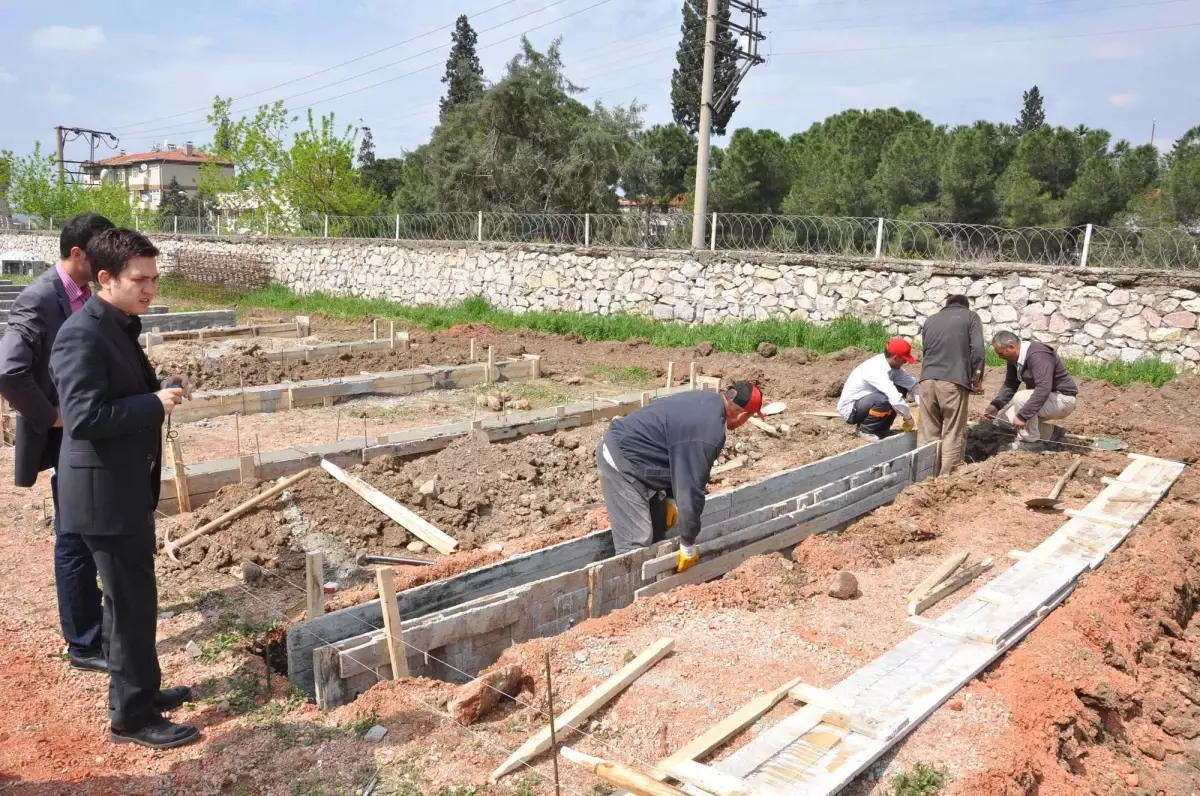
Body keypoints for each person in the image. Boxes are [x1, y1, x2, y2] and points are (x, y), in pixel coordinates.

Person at [50, 227, 198, 749]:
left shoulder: (120, 325)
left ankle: (144, 692)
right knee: (129, 605)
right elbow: (84, 416)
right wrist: (154, 404)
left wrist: (159, 389)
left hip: (124, 489)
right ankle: (132, 718)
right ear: (105, 278)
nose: (150, 289)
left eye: (155, 279)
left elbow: (122, 393)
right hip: (103, 497)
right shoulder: (81, 334)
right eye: (141, 279)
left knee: (134, 602)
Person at [0, 212, 114, 672]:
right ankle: (83, 644)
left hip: (90, 435)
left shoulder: (89, 295)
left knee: (88, 531)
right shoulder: (38, 299)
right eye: (101, 249)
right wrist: (51, 416)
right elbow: (9, 371)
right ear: (78, 253)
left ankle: (94, 624)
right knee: (72, 535)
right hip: (65, 438)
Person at [597, 381, 765, 572]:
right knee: (636, 542)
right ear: (744, 415)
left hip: (642, 457)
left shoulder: (706, 401)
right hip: (622, 459)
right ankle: (629, 597)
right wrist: (688, 542)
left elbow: (676, 451)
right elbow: (691, 487)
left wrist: (669, 497)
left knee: (658, 526)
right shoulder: (709, 433)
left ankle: (655, 588)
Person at [917, 295, 985, 476]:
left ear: (946, 306)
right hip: (953, 381)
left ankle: (924, 476)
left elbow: (926, 349)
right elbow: (977, 349)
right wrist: (977, 378)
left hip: (926, 380)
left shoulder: (930, 320)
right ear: (965, 306)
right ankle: (948, 476)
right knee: (953, 431)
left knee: (927, 431)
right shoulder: (971, 317)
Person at [983, 330, 1079, 452]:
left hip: (1063, 400)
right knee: (1003, 421)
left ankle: (1031, 442)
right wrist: (996, 405)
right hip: (1045, 399)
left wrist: (1023, 416)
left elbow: (1043, 388)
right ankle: (1052, 433)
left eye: (1001, 353)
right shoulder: (1014, 359)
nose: (1000, 357)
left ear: (1011, 347)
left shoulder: (1038, 355)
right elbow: (1010, 384)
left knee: (1020, 397)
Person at [837, 338, 920, 440]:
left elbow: (913, 384)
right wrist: (909, 418)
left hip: (868, 401)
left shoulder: (893, 367)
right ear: (896, 358)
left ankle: (882, 430)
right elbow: (894, 397)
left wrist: (922, 406)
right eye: (904, 359)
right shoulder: (875, 368)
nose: (905, 362)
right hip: (851, 410)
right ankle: (865, 430)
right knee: (886, 399)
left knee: (901, 388)